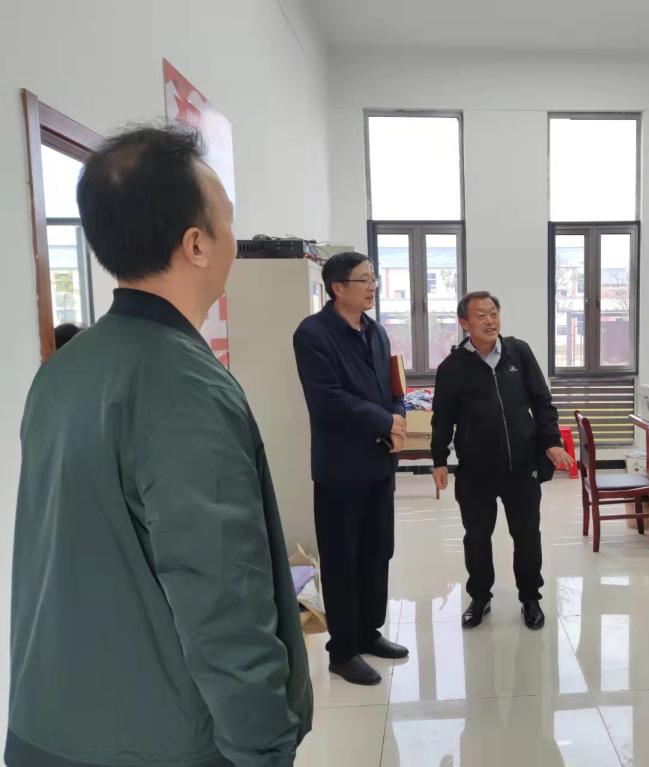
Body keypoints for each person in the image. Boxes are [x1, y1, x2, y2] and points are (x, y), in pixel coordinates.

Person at [8, 127, 313, 767]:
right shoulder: (184, 387)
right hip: (163, 744)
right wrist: (263, 747)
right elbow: (221, 596)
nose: (235, 240)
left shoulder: (64, 370)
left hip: (52, 726)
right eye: (229, 221)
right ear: (197, 244)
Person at [293, 252, 409, 686]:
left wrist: (397, 419)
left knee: (378, 551)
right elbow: (328, 398)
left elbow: (391, 388)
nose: (373, 285)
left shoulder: (375, 331)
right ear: (337, 287)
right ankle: (342, 650)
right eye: (364, 279)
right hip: (340, 469)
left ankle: (367, 632)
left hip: (379, 462)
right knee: (342, 558)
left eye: (374, 277)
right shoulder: (313, 334)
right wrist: (385, 421)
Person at [431, 291, 572, 630]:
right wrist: (439, 459)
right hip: (475, 471)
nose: (489, 321)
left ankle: (530, 597)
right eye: (480, 315)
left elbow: (542, 401)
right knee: (477, 537)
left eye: (493, 313)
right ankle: (480, 597)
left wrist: (552, 442)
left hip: (522, 466)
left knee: (527, 535)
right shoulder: (452, 367)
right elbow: (442, 417)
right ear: (464, 323)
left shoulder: (518, 353)